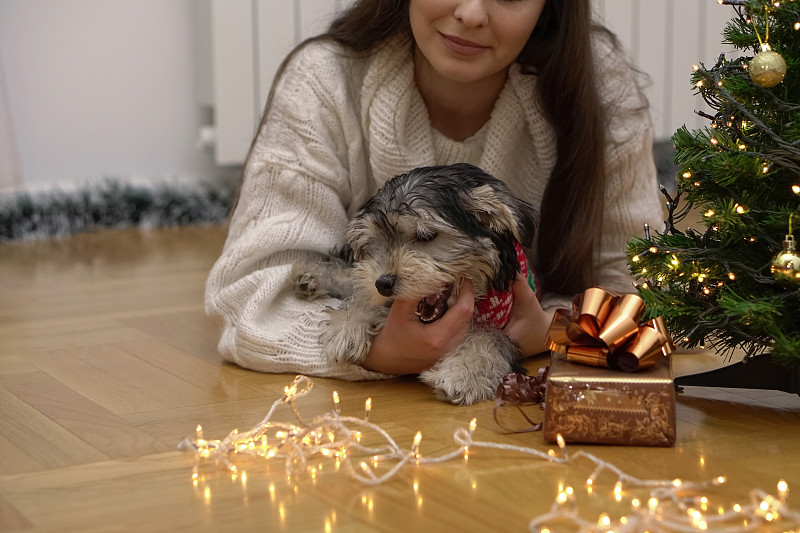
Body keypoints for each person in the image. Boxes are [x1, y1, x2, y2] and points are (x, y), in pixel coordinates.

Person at [205, 0, 664, 380]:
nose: (470, 13)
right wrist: (376, 353)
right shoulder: (323, 80)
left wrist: (554, 332)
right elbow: (253, 294)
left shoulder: (600, 88)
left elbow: (648, 285)